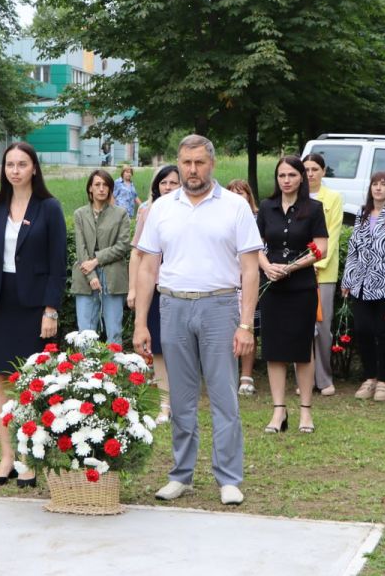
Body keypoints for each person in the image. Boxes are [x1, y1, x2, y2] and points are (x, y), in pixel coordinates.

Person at [133, 134, 261, 506]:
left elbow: (250, 270)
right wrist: (141, 322)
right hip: (172, 307)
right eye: (186, 163)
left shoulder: (235, 207)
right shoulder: (162, 208)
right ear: (179, 163)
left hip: (220, 308)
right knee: (181, 399)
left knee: (224, 397)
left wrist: (246, 323)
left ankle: (229, 478)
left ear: (212, 164)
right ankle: (181, 475)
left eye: (199, 163)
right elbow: (147, 268)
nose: (192, 170)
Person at [0, 142, 67, 487]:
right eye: (9, 164)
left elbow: (59, 266)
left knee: (30, 382)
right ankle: (7, 456)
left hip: (34, 306)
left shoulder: (49, 208)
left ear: (34, 168)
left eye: (22, 164)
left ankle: (30, 456)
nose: (15, 170)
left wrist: (51, 309)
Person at [257, 157, 327, 434]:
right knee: (273, 349)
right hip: (272, 287)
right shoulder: (266, 207)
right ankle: (278, 411)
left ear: (302, 178)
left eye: (291, 175)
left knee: (302, 350)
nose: (286, 180)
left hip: (301, 288)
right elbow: (254, 245)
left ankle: (306, 412)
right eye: (281, 175)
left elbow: (321, 248)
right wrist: (267, 266)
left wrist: (291, 267)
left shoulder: (314, 208)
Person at [341, 172, 385, 402]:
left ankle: (383, 380)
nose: (378, 188)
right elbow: (353, 248)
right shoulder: (361, 213)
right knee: (362, 330)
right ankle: (369, 377)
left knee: (384, 332)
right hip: (360, 283)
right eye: (375, 184)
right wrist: (347, 280)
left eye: (384, 184)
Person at [128, 165, 180, 422]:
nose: (168, 187)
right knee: (157, 348)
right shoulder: (148, 212)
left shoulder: (190, 213)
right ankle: (165, 405)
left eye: (173, 182)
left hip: (181, 290)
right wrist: (133, 289)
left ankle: (182, 401)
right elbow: (137, 254)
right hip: (155, 289)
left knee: (181, 348)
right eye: (164, 183)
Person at [72, 169, 130, 345]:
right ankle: (88, 371)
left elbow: (123, 246)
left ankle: (115, 371)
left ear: (111, 188)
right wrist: (91, 275)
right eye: (97, 184)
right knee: (86, 333)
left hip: (113, 276)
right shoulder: (80, 214)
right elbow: (80, 248)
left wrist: (96, 260)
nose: (101, 189)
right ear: (90, 188)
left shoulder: (120, 213)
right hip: (84, 276)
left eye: (105, 185)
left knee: (114, 330)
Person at [303, 153, 343, 396]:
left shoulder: (334, 198)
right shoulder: (297, 197)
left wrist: (318, 262)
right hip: (299, 269)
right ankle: (304, 378)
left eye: (314, 169)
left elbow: (334, 233)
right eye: (305, 169)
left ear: (323, 171)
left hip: (323, 271)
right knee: (304, 327)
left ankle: (324, 379)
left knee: (323, 326)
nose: (310, 173)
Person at [226, 179, 260, 397]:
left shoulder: (256, 219)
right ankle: (227, 375)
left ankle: (246, 375)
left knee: (248, 327)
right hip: (227, 283)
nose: (238, 197)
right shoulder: (220, 218)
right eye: (233, 193)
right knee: (225, 331)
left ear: (249, 196)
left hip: (247, 281)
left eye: (242, 193)